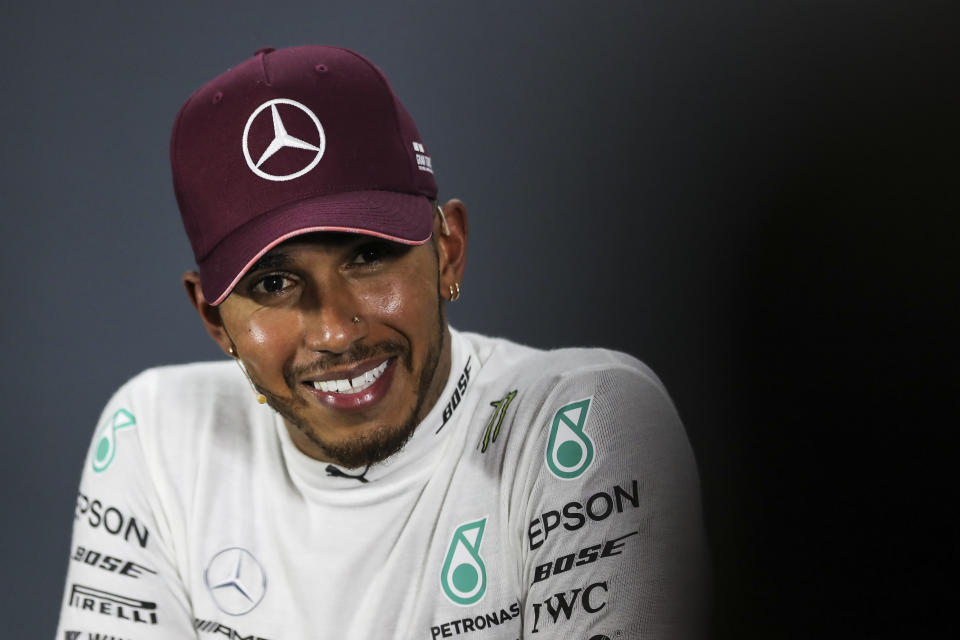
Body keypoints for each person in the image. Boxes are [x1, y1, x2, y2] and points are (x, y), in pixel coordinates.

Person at [56, 45, 706, 639]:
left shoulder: (581, 417)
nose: (336, 329)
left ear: (448, 251)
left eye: (368, 256)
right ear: (213, 318)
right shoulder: (158, 432)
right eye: (274, 282)